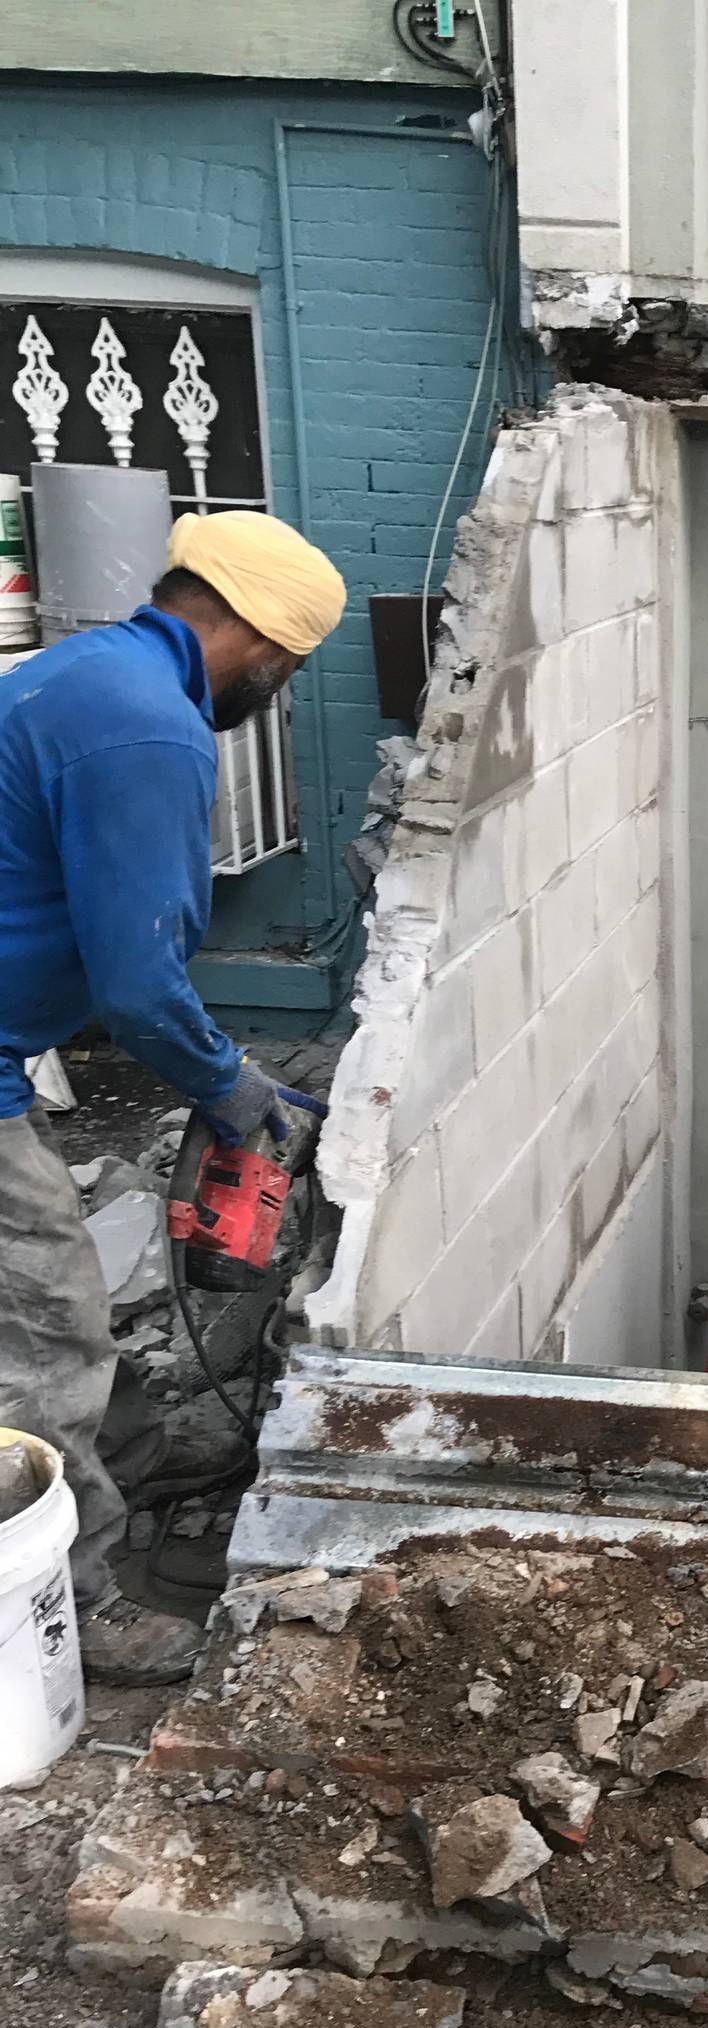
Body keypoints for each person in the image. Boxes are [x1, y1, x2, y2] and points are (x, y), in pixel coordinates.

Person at [0, 511, 346, 1682]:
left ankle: (133, 1451)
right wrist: (231, 1086)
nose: (280, 686)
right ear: (247, 631)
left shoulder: (87, 667)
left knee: (57, 1293)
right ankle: (74, 1597)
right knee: (45, 1325)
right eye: (287, 665)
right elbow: (141, 981)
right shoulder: (151, 732)